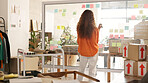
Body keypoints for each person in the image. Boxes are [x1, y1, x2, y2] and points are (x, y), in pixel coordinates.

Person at [77, 10, 101, 81]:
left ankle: (79, 82)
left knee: (81, 70)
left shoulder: (79, 28)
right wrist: (98, 30)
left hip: (83, 52)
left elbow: (78, 41)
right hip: (93, 52)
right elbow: (95, 41)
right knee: (92, 71)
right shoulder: (94, 29)